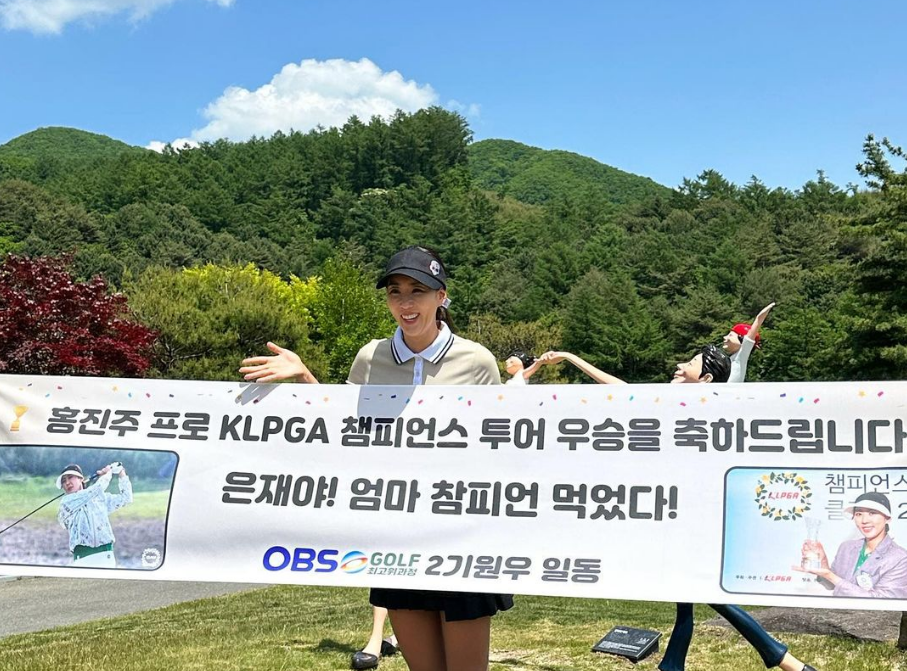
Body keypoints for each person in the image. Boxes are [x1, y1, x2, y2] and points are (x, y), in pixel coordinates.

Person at [240, 246, 510, 671]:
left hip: (459, 535)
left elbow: (501, 444)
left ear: (441, 296)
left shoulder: (477, 361)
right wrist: (305, 375)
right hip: (397, 534)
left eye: (417, 290)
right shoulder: (371, 357)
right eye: (395, 291)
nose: (405, 302)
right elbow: (345, 430)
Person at [540, 345, 816, 671]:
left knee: (699, 592)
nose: (680, 365)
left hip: (692, 517)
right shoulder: (670, 403)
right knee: (685, 594)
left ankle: (782, 659)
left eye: (691, 363)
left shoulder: (710, 414)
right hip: (673, 513)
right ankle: (677, 664)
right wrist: (571, 357)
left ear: (706, 379)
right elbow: (619, 387)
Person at [796, 492, 907, 598]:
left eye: (872, 513)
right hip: (838, 611)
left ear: (887, 518)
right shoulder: (846, 548)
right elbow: (832, 585)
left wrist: (831, 576)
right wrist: (823, 564)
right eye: (858, 514)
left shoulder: (899, 558)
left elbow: (884, 601)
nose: (864, 520)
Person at [56, 461, 132, 568]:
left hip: (106, 554)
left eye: (70, 477)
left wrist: (121, 473)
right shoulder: (66, 502)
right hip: (83, 557)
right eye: (64, 481)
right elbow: (96, 489)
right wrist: (108, 473)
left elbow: (126, 498)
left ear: (81, 479)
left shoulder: (100, 497)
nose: (67, 483)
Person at [723, 302, 775, 383]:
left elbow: (757, 322)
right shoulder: (730, 359)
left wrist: (762, 314)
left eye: (730, 335)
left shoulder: (741, 356)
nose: (725, 337)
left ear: (742, 339)